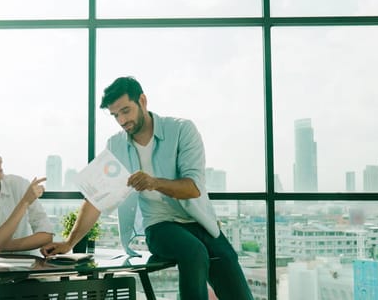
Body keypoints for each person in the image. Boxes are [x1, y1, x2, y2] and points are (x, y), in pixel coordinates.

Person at [41, 76, 254, 300]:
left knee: (230, 270)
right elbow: (95, 200)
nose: (122, 120)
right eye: (115, 115)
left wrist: (154, 182)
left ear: (142, 100)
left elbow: (193, 188)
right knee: (194, 252)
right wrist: (69, 243)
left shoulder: (181, 130)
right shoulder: (115, 145)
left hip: (200, 222)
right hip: (159, 226)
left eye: (126, 111)